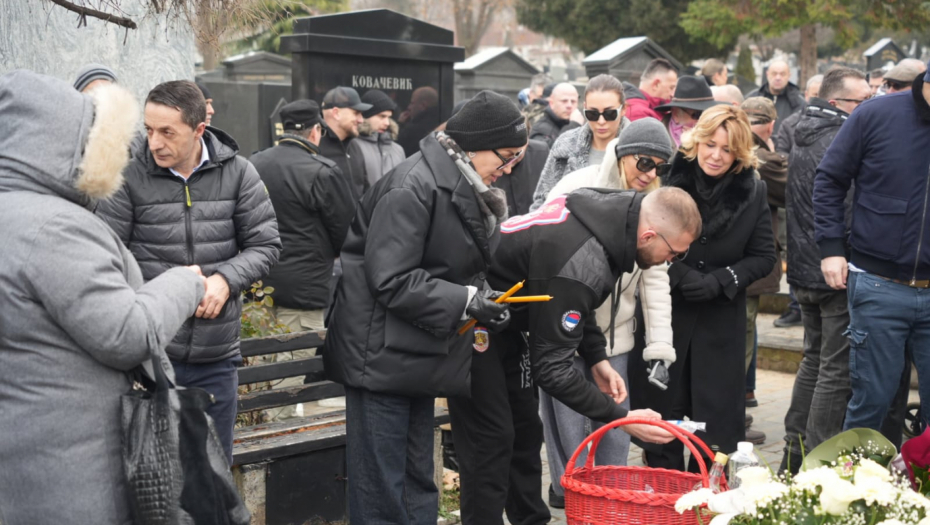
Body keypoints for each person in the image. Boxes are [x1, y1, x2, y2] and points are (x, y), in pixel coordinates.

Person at [0, 70, 206, 524]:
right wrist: (185, 282)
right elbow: (125, 334)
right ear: (64, 143)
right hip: (70, 474)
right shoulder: (51, 228)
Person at [323, 90, 525, 525]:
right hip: (378, 356)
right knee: (382, 490)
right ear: (474, 145)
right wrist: (469, 301)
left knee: (417, 481)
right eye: (506, 156)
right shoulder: (412, 186)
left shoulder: (453, 181)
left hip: (412, 352)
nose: (509, 168)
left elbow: (446, 264)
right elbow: (391, 279)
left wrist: (481, 299)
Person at [449, 185, 700, 524]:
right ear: (649, 235)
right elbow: (551, 369)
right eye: (674, 253)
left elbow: (574, 302)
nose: (672, 262)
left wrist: (597, 357)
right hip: (472, 322)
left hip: (509, 322)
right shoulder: (582, 255)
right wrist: (623, 419)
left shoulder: (613, 219)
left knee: (525, 432)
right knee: (491, 440)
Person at [96, 80, 282, 463]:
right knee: (154, 481)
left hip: (216, 359)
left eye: (167, 132)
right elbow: (105, 256)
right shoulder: (129, 176)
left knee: (212, 480)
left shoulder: (238, 173)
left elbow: (266, 245)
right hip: (150, 358)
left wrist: (225, 281)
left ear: (199, 130)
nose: (154, 142)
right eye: (148, 129)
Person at [538, 117, 679, 508]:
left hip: (614, 338)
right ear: (621, 154)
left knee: (616, 426)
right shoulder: (575, 187)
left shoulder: (656, 203)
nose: (650, 173)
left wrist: (660, 345)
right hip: (565, 331)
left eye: (659, 166)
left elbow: (656, 278)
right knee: (567, 426)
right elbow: (545, 253)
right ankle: (573, 495)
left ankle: (613, 498)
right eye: (643, 162)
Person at [645, 104, 776, 471]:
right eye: (710, 145)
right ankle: (664, 501)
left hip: (721, 321)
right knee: (666, 415)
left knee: (716, 427)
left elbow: (764, 256)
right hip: (669, 315)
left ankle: (706, 499)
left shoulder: (753, 191)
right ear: (696, 141)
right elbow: (643, 240)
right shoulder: (667, 179)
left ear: (739, 154)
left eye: (727, 149)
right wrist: (681, 275)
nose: (716, 155)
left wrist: (721, 280)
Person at [814, 60, 930, 435]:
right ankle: (857, 491)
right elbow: (830, 179)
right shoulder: (876, 114)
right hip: (877, 283)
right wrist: (831, 248)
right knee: (871, 404)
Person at [778, 67, 870, 473]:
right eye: (862, 101)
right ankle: (814, 466)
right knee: (834, 369)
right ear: (838, 103)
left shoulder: (802, 129)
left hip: (804, 267)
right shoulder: (839, 137)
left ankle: (792, 456)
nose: (870, 108)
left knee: (813, 361)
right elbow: (846, 209)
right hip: (832, 269)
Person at [249, 99, 354, 417]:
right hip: (304, 288)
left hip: (255, 284)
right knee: (289, 372)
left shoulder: (254, 163)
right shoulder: (322, 171)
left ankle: (252, 429)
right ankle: (271, 444)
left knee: (255, 371)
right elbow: (347, 232)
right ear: (316, 131)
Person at [740, 97, 787, 444]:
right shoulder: (756, 157)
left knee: (745, 336)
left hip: (743, 265)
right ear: (770, 125)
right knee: (740, 340)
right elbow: (785, 181)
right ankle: (735, 416)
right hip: (747, 265)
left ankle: (739, 406)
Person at [530, 74, 632, 210]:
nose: (601, 121)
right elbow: (541, 199)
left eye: (609, 114)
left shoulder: (636, 145)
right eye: (592, 114)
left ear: (623, 109)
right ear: (584, 107)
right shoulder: (566, 143)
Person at [347, 89, 406, 193]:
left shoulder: (398, 150)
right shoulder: (354, 145)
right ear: (366, 116)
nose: (387, 123)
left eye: (389, 117)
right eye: (382, 116)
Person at [320, 86, 371, 196]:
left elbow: (365, 190)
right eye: (356, 113)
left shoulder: (355, 146)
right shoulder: (315, 148)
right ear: (336, 113)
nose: (361, 120)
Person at [655, 76, 723, 147]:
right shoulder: (656, 141)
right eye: (698, 115)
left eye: (708, 115)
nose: (703, 122)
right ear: (676, 114)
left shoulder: (718, 136)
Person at [746, 58, 805, 134]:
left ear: (789, 76)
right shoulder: (752, 99)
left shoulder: (798, 102)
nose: (778, 78)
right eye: (774, 74)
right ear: (767, 74)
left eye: (782, 74)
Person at [529, 82, 580, 148]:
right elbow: (546, 155)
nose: (569, 105)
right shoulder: (540, 129)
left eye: (573, 101)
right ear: (552, 103)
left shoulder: (578, 124)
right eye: (564, 101)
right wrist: (573, 125)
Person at [397, 86, 441, 156]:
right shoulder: (442, 122)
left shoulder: (413, 130)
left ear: (423, 105)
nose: (409, 107)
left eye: (412, 103)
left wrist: (400, 125)